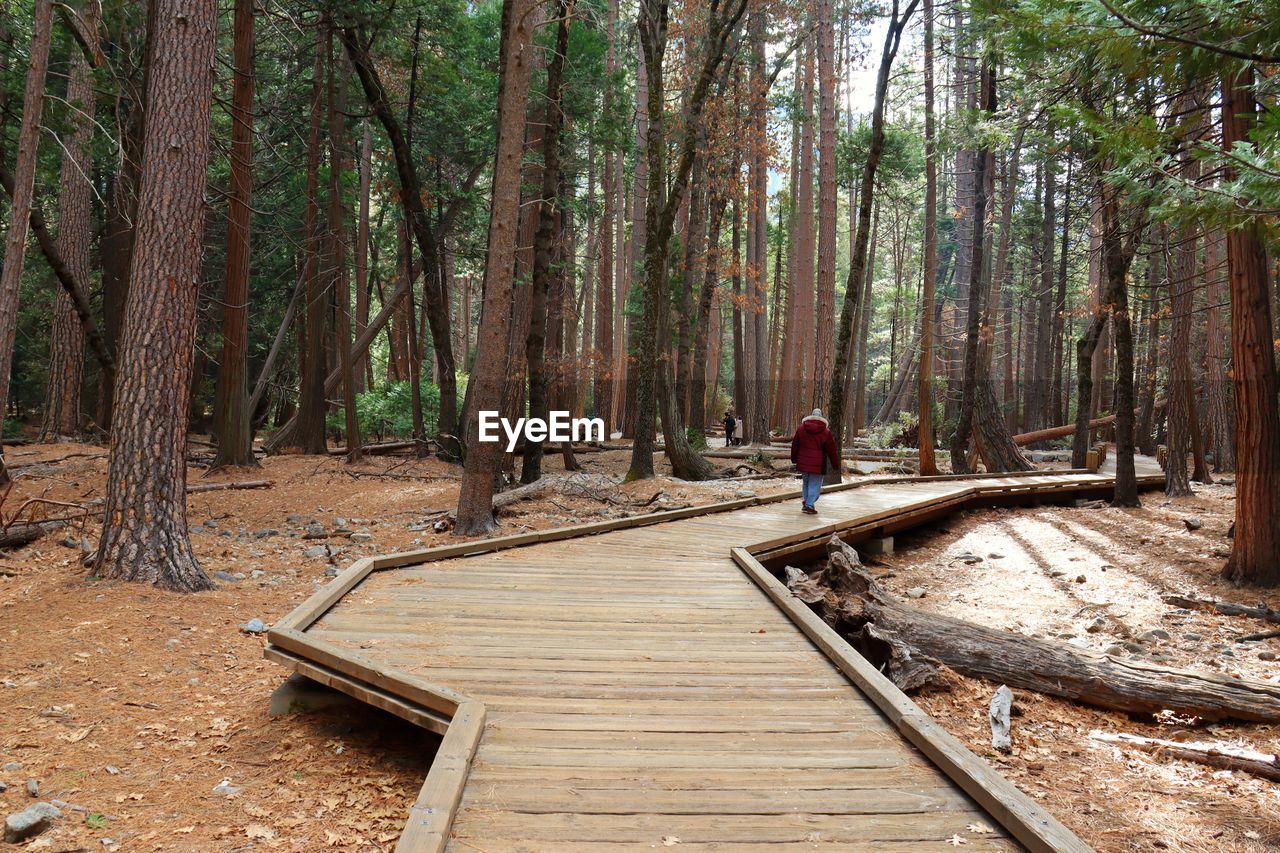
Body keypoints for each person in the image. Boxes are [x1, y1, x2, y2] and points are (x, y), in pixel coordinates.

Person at [790, 408, 841, 514]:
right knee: (815, 484)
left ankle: (806, 502)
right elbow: (831, 450)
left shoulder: (801, 429)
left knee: (806, 482)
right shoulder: (826, 432)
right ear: (821, 417)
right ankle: (809, 505)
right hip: (818, 464)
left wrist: (794, 458)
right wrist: (835, 464)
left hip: (803, 462)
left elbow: (795, 445)